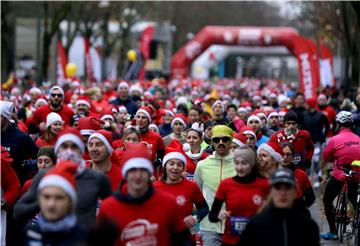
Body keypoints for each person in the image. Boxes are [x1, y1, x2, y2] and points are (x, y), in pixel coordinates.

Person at [13, 128, 112, 228]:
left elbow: (112, 212)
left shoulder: (97, 178)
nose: (69, 152)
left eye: (74, 147)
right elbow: (18, 212)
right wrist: (45, 203)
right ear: (57, 151)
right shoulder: (44, 176)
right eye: (64, 146)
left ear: (81, 151)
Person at [97, 143, 190, 245]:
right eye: (132, 170)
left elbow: (182, 239)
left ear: (150, 173)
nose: (138, 176)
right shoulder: (108, 207)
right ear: (125, 173)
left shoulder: (168, 203)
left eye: (143, 170)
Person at [238, 168, 320, 246]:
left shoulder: (308, 226)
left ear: (295, 191)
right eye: (277, 188)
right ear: (270, 191)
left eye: (287, 187)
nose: (283, 193)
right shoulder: (256, 224)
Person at [209, 146, 269, 245]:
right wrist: (218, 216)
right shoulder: (226, 184)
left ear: (252, 164)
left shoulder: (265, 184)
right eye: (236, 163)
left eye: (244, 163)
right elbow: (212, 216)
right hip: (231, 241)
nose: (239, 167)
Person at [154, 148, 209, 244]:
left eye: (179, 165)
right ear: (165, 166)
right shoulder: (154, 188)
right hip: (162, 238)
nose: (175, 167)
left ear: (183, 168)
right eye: (171, 164)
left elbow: (204, 208)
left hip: (186, 237)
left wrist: (195, 218)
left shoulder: (191, 186)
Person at [24, 161, 85, 245]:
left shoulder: (84, 238)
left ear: (71, 202)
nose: (51, 204)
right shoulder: (27, 234)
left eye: (59, 198)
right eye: (46, 197)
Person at [320, 111, 360, 240]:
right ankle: (356, 220)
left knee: (327, 200)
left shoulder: (335, 139)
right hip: (356, 175)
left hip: (340, 174)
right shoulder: (358, 138)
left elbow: (326, 156)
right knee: (355, 202)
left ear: (338, 124)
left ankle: (333, 231)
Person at [194, 125, 236, 245]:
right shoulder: (202, 165)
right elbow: (197, 192)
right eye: (217, 140)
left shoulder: (240, 164)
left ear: (231, 141)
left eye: (225, 139)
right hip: (209, 226)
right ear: (212, 142)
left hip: (233, 225)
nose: (221, 142)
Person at [1, 100, 38, 184]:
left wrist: (26, 164)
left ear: (6, 118)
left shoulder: (21, 137)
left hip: (17, 185)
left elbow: (39, 157)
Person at [280, 142, 315, 212]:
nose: (285, 157)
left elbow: (311, 197)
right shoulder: (270, 173)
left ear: (293, 157)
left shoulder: (301, 174)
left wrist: (301, 209)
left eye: (288, 154)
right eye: (282, 154)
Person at [303, 97, 329, 182]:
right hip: (306, 143)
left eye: (307, 103)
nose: (305, 105)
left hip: (317, 142)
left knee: (316, 160)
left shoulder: (321, 115)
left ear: (310, 105)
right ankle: (307, 178)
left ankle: (319, 176)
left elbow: (327, 126)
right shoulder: (304, 115)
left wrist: (323, 136)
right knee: (307, 160)